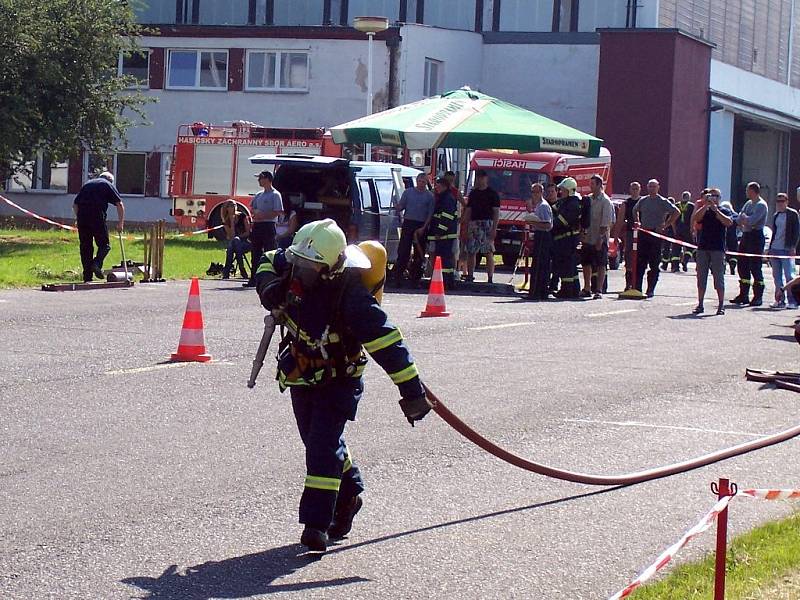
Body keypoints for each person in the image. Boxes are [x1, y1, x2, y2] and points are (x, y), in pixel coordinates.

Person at [254, 219, 433, 552]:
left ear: (330, 267)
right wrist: (269, 287)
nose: (299, 270)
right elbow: (267, 260)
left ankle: (316, 525)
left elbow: (388, 343)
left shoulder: (351, 294)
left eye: (309, 266)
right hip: (303, 373)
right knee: (317, 440)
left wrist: (412, 392)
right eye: (298, 262)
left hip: (340, 379)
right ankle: (350, 494)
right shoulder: (295, 262)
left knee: (322, 446)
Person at [72, 171, 125, 282]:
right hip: (97, 216)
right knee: (104, 245)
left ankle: (87, 277)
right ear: (111, 181)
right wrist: (120, 223)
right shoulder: (107, 184)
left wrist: (78, 218)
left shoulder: (87, 184)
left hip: (82, 217)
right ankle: (96, 263)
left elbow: (75, 204)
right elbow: (119, 204)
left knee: (85, 247)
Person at [633, 179, 679, 297]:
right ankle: (637, 288)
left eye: (654, 186)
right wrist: (637, 221)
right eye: (650, 186)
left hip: (655, 235)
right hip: (644, 233)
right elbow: (635, 210)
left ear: (658, 187)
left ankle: (650, 289)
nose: (651, 188)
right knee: (640, 263)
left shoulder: (662, 201)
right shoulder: (643, 200)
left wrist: (665, 225)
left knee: (654, 264)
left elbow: (676, 212)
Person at [690, 188, 733, 315]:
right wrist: (705, 206)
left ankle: (721, 305)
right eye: (711, 196)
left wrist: (716, 210)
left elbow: (728, 222)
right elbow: (696, 218)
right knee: (701, 277)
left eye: (716, 196)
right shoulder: (704, 211)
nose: (713, 198)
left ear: (719, 198)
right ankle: (700, 304)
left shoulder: (724, 210)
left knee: (718, 277)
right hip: (703, 247)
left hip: (718, 249)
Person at [730, 181, 769, 306]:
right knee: (742, 264)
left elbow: (752, 221)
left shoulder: (761, 205)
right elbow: (740, 217)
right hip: (746, 236)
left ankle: (758, 297)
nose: (746, 192)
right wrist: (744, 219)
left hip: (756, 237)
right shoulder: (748, 203)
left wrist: (745, 219)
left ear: (753, 191)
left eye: (747, 190)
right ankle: (743, 295)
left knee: (755, 266)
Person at [393, 173, 434, 286]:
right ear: (417, 181)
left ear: (427, 183)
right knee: (403, 251)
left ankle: (415, 279)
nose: (421, 184)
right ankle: (398, 277)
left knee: (419, 253)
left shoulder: (429, 196)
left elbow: (429, 215)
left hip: (421, 225)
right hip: (408, 223)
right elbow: (401, 206)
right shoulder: (408, 193)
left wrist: (424, 227)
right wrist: (397, 207)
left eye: (424, 182)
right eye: (420, 181)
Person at [245, 170, 282, 287]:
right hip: (258, 226)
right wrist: (256, 212)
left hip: (268, 226)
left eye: (260, 178)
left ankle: (270, 279)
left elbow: (278, 211)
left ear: (267, 179)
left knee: (269, 252)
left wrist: (263, 215)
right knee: (255, 253)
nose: (258, 180)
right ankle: (253, 279)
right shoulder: (259, 195)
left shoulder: (275, 195)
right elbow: (252, 207)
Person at [580, 175, 614, 299]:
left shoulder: (606, 201)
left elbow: (606, 222)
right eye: (590, 184)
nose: (591, 186)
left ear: (599, 185)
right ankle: (587, 288)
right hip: (588, 236)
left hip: (600, 238)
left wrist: (600, 238)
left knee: (600, 264)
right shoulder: (588, 199)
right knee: (586, 263)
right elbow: (583, 218)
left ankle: (599, 289)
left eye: (593, 184)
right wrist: (582, 233)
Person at [465, 170, 500, 284]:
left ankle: (490, 278)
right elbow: (468, 210)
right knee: (471, 251)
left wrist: (494, 228)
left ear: (486, 179)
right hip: (474, 223)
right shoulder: (473, 194)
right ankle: (470, 275)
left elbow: (496, 212)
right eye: (478, 178)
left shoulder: (492, 194)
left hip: (487, 224)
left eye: (482, 177)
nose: (480, 180)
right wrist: (465, 226)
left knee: (488, 252)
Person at [550, 177, 582, 298]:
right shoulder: (566, 201)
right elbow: (554, 209)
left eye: (562, 190)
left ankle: (566, 291)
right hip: (565, 239)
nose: (560, 192)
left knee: (566, 265)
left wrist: (550, 224)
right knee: (570, 266)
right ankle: (574, 290)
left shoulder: (573, 204)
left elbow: (562, 221)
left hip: (568, 240)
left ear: (569, 190)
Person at [768, 192, 799, 309]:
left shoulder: (793, 214)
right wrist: (770, 248)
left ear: (787, 202)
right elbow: (774, 232)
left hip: (786, 249)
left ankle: (793, 301)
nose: (780, 204)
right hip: (775, 248)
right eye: (778, 201)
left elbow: (796, 232)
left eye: (782, 201)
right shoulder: (776, 215)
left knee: (789, 276)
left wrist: (793, 247)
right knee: (777, 276)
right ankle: (779, 300)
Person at [428, 177, 459, 289]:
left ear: (444, 186)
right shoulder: (443, 197)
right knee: (443, 259)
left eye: (438, 185)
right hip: (443, 235)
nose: (436, 187)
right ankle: (444, 281)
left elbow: (447, 216)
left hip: (445, 235)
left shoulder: (447, 198)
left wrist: (440, 231)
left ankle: (446, 282)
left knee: (445, 260)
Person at [525, 183, 553, 300]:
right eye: (532, 192)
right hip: (538, 235)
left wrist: (533, 223)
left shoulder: (543, 206)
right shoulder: (538, 206)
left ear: (541, 193)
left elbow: (548, 224)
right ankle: (536, 291)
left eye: (536, 192)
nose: (534, 195)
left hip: (543, 236)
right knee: (537, 264)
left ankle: (537, 292)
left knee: (539, 266)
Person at [220, 200, 252, 280]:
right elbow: (231, 236)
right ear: (227, 209)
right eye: (231, 206)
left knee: (234, 243)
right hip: (236, 245)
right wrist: (232, 222)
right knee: (233, 243)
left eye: (235, 205)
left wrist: (238, 237)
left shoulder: (242, 216)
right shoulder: (226, 221)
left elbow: (248, 232)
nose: (233, 207)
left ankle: (226, 271)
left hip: (246, 242)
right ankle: (242, 269)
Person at [621, 181, 642, 290]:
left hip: (642, 234)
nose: (634, 190)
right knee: (628, 257)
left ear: (640, 189)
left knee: (640, 258)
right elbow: (620, 219)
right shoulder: (626, 203)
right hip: (630, 234)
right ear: (630, 190)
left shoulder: (643, 201)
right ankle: (628, 283)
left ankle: (637, 284)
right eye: (633, 188)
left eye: (636, 188)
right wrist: (616, 236)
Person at [672, 191, 695, 272]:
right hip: (687, 229)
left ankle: (675, 266)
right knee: (690, 246)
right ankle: (685, 260)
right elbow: (693, 218)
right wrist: (692, 229)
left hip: (678, 229)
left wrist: (674, 229)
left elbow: (673, 219)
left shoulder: (676, 205)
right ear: (689, 197)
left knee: (676, 248)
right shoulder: (692, 206)